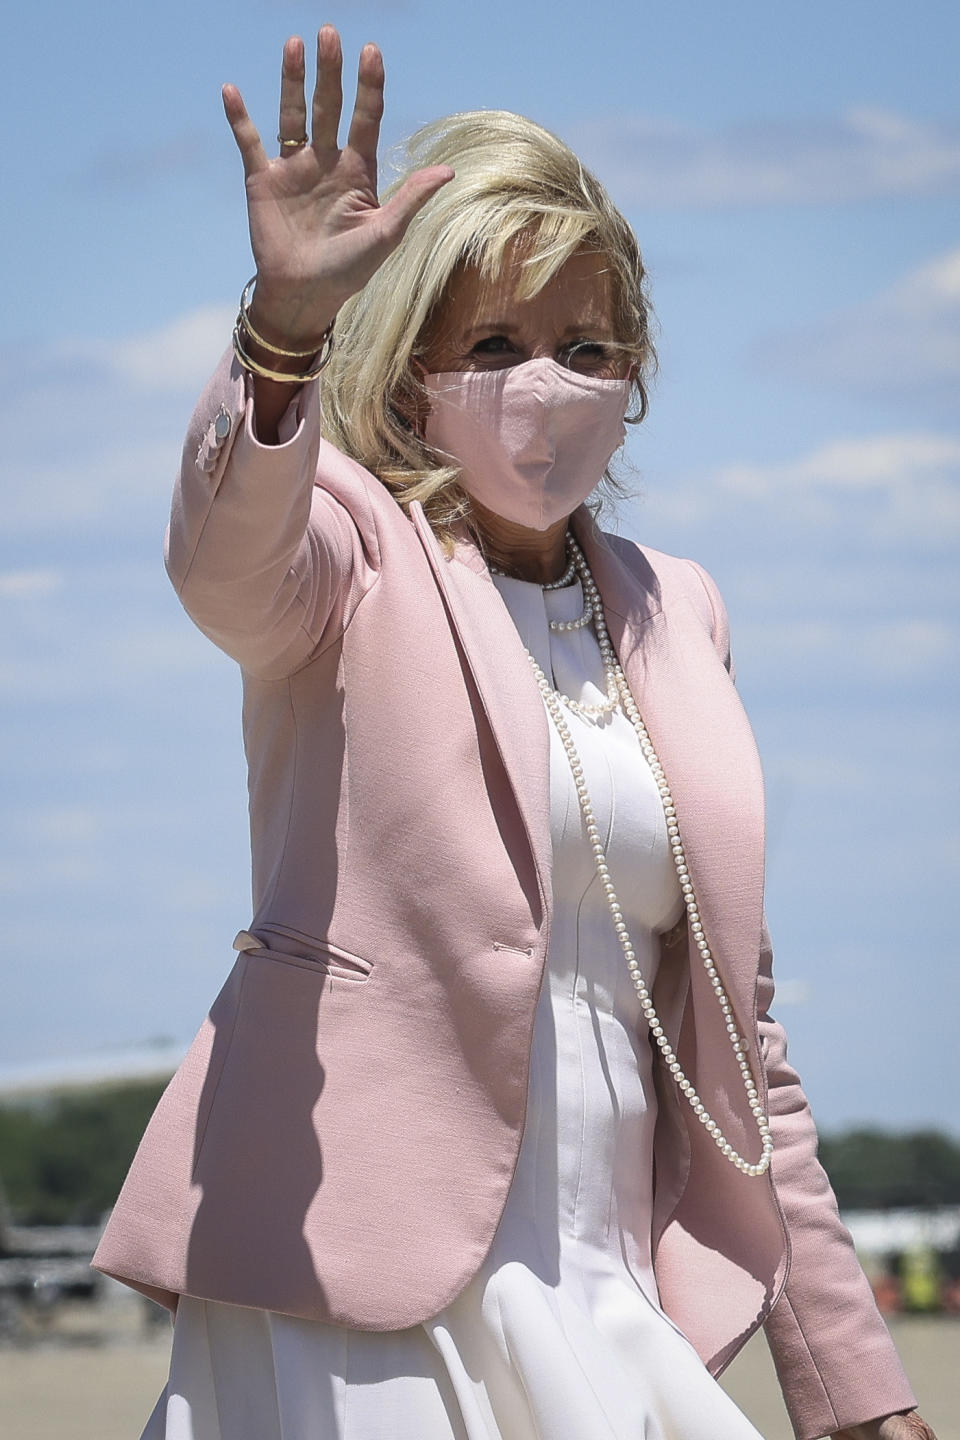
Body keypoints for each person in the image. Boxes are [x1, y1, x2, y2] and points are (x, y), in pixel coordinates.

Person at [91, 28, 937, 1440]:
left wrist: (850, 1388)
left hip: (610, 1288)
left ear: (639, 366)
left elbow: (737, 1041)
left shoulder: (682, 609)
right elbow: (225, 566)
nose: (547, 380)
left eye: (586, 345)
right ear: (412, 358)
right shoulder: (351, 544)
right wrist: (280, 336)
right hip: (345, 1286)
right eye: (493, 342)